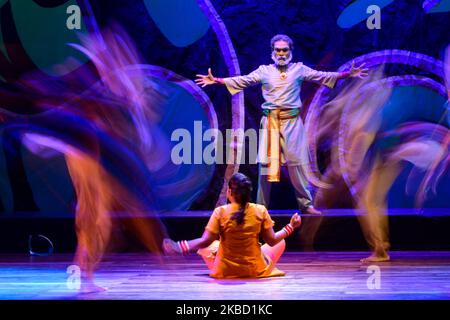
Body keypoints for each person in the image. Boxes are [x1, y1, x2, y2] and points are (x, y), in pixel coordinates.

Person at [195, 34, 368, 215]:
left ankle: (306, 205)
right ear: (272, 52)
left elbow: (321, 76)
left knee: (297, 164)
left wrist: (347, 74)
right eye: (278, 50)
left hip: (292, 122)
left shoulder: (299, 70)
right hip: (271, 122)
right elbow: (243, 80)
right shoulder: (264, 71)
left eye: (285, 50)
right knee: (266, 166)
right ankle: (261, 207)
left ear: (290, 51)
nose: (281, 53)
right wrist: (217, 80)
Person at [163, 172, 301, 279]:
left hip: (225, 270)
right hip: (254, 269)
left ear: (229, 192)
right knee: (280, 242)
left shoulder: (221, 211)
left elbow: (205, 241)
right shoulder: (260, 210)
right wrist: (290, 226)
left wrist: (179, 247)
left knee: (208, 246)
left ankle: (226, 262)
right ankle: (256, 261)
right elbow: (272, 241)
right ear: (248, 193)